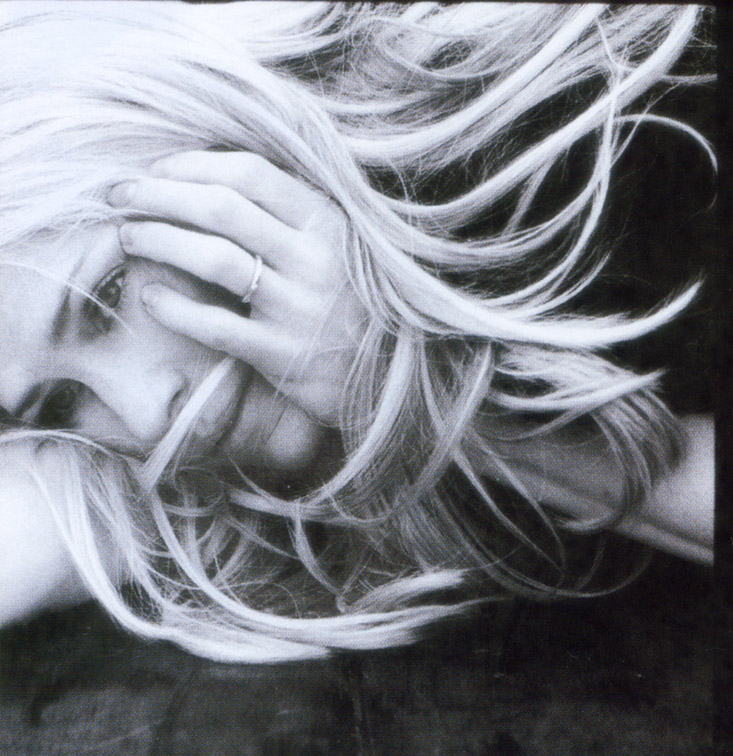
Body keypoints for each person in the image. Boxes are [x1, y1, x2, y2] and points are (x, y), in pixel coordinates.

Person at [0, 2, 715, 662]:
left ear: (184, 116)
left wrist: (419, 390)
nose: (144, 415)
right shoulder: (238, 408)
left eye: (107, 295)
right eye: (61, 402)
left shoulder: (602, 124)